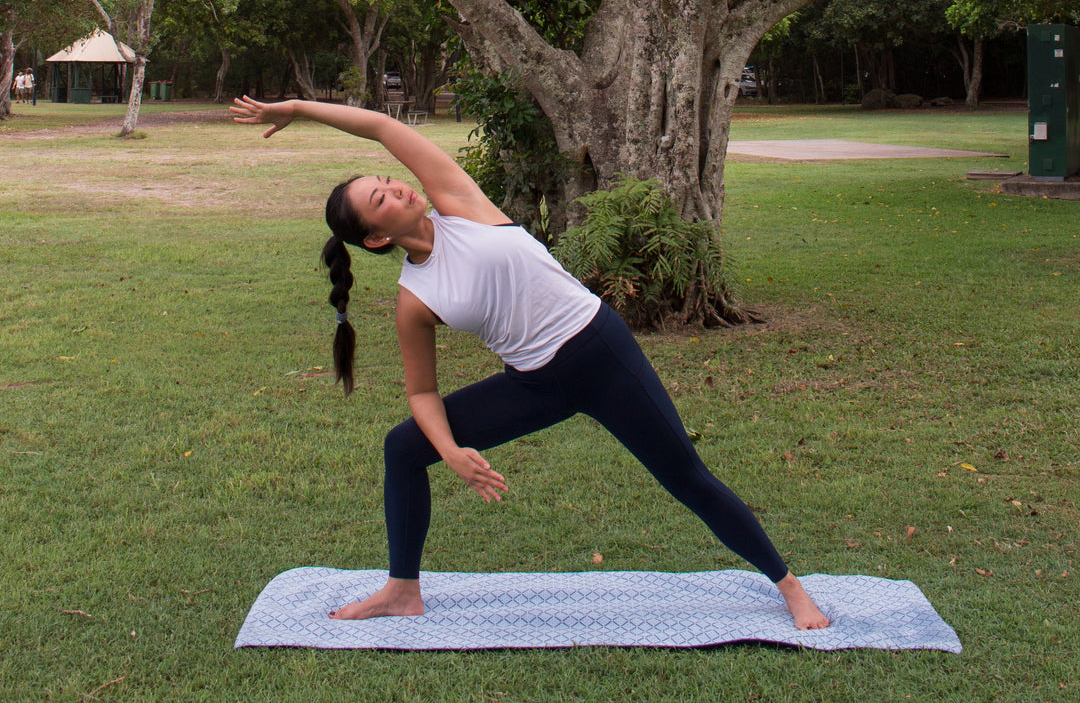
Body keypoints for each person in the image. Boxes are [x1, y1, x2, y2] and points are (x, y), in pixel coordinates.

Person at [229, 96, 830, 630]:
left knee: (685, 477)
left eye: (387, 180)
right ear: (376, 238)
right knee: (404, 446)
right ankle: (402, 590)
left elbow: (383, 127)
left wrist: (298, 109)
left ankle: (788, 586)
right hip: (536, 383)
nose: (398, 188)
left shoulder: (458, 203)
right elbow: (422, 394)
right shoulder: (414, 301)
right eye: (380, 198)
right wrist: (450, 451)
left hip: (600, 352)